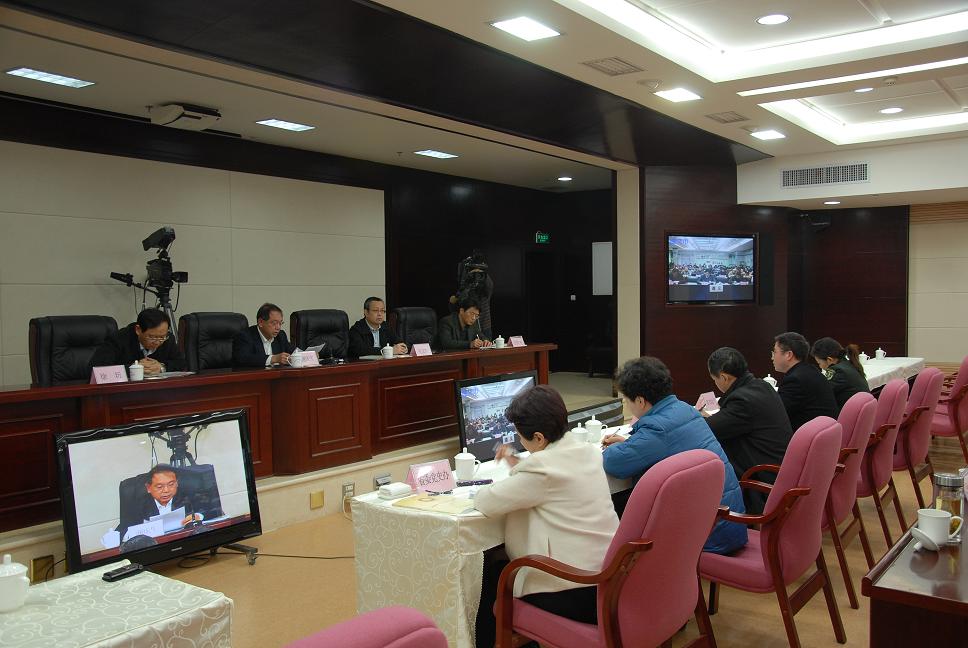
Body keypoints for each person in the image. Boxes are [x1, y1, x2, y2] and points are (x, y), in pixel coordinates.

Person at [473, 385, 618, 648]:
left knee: (490, 577)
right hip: (609, 579)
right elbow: (550, 475)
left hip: (574, 588)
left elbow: (486, 501)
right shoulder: (586, 451)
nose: (521, 443)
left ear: (538, 438)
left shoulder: (541, 471)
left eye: (521, 438)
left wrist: (520, 471)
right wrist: (521, 465)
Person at [601, 356, 747, 554]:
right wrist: (630, 443)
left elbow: (614, 463)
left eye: (627, 400)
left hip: (707, 534)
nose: (628, 405)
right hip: (729, 522)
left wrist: (616, 447)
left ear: (640, 401)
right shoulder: (685, 409)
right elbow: (665, 443)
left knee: (620, 505)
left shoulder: (656, 429)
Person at [703, 347, 794, 514]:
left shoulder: (742, 401)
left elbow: (707, 430)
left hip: (763, 483)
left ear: (724, 377)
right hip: (780, 471)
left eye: (714, 379)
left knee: (706, 464)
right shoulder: (761, 386)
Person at [772, 332, 838, 432]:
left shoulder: (795, 380)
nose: (772, 357)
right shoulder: (810, 371)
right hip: (824, 433)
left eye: (775, 352)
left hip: (810, 436)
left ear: (788, 355)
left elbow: (776, 413)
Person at [90, 308, 185, 376]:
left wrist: (162, 367)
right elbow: (96, 369)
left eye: (162, 337)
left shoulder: (168, 339)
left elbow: (181, 363)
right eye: (152, 337)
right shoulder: (118, 339)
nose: (157, 342)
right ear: (138, 330)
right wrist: (134, 368)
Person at [117, 464, 201, 539]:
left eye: (171, 484)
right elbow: (122, 531)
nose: (166, 490)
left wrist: (199, 516)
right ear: (148, 488)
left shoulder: (187, 497)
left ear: (177, 483)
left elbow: (206, 510)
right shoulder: (138, 506)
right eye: (160, 487)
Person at [811, 337, 870, 411]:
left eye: (819, 363)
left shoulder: (837, 371)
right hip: (860, 412)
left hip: (849, 414)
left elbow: (822, 393)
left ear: (829, 359)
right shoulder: (849, 363)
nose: (820, 366)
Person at [232, 303, 293, 367]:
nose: (278, 327)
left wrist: (297, 356)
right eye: (274, 323)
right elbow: (242, 359)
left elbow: (294, 352)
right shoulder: (244, 336)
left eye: (280, 323)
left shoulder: (281, 335)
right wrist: (273, 358)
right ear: (260, 322)